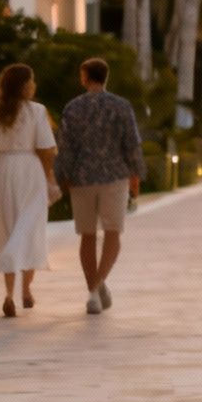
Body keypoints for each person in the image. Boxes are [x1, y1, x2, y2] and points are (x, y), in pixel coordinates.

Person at [54, 57, 145, 317]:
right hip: (115, 177)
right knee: (113, 233)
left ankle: (94, 289)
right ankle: (96, 288)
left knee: (87, 236)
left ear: (85, 76)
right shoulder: (121, 106)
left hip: (82, 178)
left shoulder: (73, 108)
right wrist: (136, 174)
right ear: (106, 77)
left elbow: (66, 146)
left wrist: (63, 176)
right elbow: (132, 144)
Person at [0, 64, 57, 318]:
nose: (34, 86)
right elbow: (46, 149)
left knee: (7, 229)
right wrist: (50, 179)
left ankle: (9, 294)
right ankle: (26, 291)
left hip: (3, 171)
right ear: (24, 85)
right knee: (29, 229)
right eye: (31, 81)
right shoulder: (37, 111)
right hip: (30, 172)